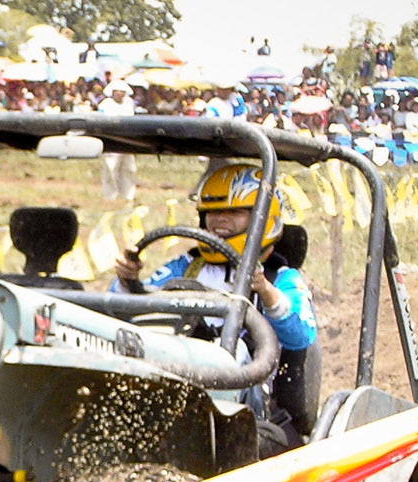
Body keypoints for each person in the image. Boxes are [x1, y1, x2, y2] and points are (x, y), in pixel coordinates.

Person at [113, 163, 317, 448]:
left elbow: (301, 335)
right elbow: (129, 310)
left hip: (254, 410)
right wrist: (128, 280)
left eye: (234, 212)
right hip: (179, 380)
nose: (220, 220)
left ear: (264, 218)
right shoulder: (186, 266)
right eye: (212, 212)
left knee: (237, 348)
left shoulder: (281, 278)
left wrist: (265, 292)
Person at [96, 78, 137, 202]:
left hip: (127, 140)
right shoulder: (105, 104)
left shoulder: (128, 105)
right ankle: (110, 196)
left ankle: (128, 195)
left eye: (122, 91)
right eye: (117, 91)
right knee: (110, 168)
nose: (119, 93)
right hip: (111, 140)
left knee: (129, 168)